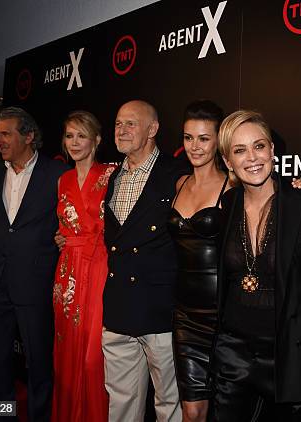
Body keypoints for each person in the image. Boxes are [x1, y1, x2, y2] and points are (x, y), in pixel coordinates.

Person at [211, 110, 301, 421]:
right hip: (233, 352)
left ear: (273, 151)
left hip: (283, 355)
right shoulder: (228, 205)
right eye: (239, 150)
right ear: (228, 162)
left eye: (259, 146)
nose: (252, 158)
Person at [0, 106, 68, 421]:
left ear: (28, 136)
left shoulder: (56, 175)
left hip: (34, 282)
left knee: (39, 361)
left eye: (5, 133)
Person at [102, 100, 184, 422]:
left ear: (153, 130)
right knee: (121, 402)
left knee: (170, 404)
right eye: (118, 123)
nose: (121, 130)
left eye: (131, 124)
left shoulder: (177, 175)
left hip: (159, 311)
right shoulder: (113, 177)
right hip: (119, 307)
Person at [167, 100, 231, 422]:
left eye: (204, 138)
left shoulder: (232, 185)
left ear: (218, 140)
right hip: (186, 317)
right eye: (188, 137)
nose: (195, 146)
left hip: (224, 316)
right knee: (192, 411)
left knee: (224, 409)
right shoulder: (179, 185)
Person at [51, 111, 115, 421]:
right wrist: (60, 237)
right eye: (69, 136)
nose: (74, 142)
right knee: (66, 350)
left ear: (97, 140)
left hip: (100, 267)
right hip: (67, 272)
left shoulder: (112, 174)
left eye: (81, 136)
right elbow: (63, 225)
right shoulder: (62, 180)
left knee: (93, 357)